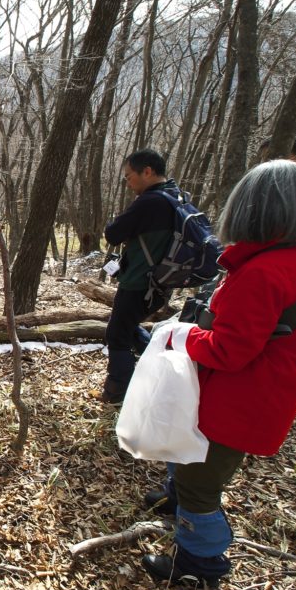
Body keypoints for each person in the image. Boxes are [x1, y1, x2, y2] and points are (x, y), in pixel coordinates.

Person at [140, 159, 296, 586]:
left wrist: (182, 335)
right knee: (186, 453)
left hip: (235, 402)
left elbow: (229, 351)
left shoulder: (265, 272)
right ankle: (175, 499)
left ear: (255, 209)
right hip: (265, 395)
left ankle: (199, 562)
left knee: (200, 482)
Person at [100, 149, 182, 404]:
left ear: (147, 171)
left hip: (139, 283)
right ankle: (160, 373)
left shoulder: (150, 202)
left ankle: (118, 395)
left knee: (117, 335)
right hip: (161, 282)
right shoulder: (176, 196)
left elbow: (113, 233)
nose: (127, 183)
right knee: (128, 327)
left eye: (129, 177)